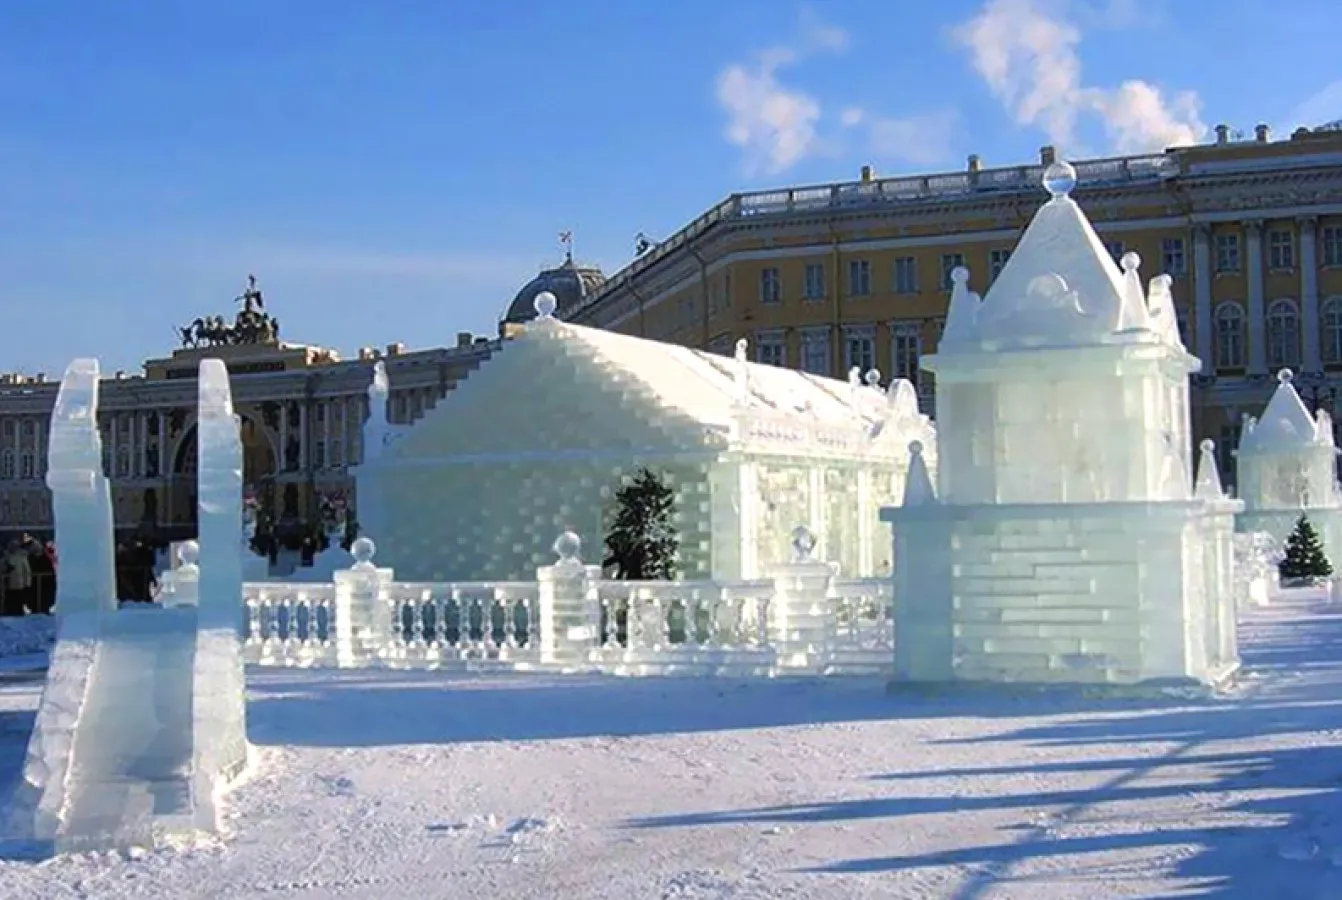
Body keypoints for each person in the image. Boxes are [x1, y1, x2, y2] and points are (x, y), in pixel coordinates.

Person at [4, 540, 33, 616]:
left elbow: (27, 570)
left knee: (19, 601)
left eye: (14, 546)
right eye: (11, 546)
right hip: (8, 584)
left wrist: (27, 583)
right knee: (10, 602)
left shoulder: (22, 556)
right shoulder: (6, 556)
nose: (13, 548)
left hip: (19, 584)